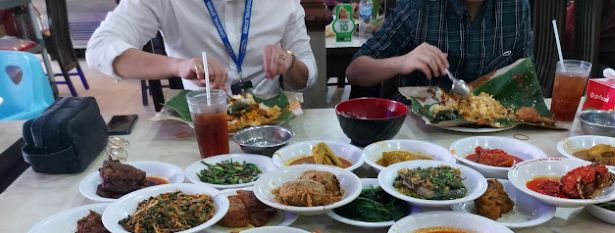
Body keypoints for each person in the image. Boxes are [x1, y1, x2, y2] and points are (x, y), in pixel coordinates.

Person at [86, 0, 317, 95]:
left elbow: (307, 76)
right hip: (199, 123)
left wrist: (290, 62)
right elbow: (99, 49)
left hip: (270, 124)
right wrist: (178, 65)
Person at [346, 0, 532, 90]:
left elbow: (523, 80)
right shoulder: (418, 7)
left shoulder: (515, 7)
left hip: (494, 138)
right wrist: (403, 61)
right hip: (423, 140)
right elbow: (355, 71)